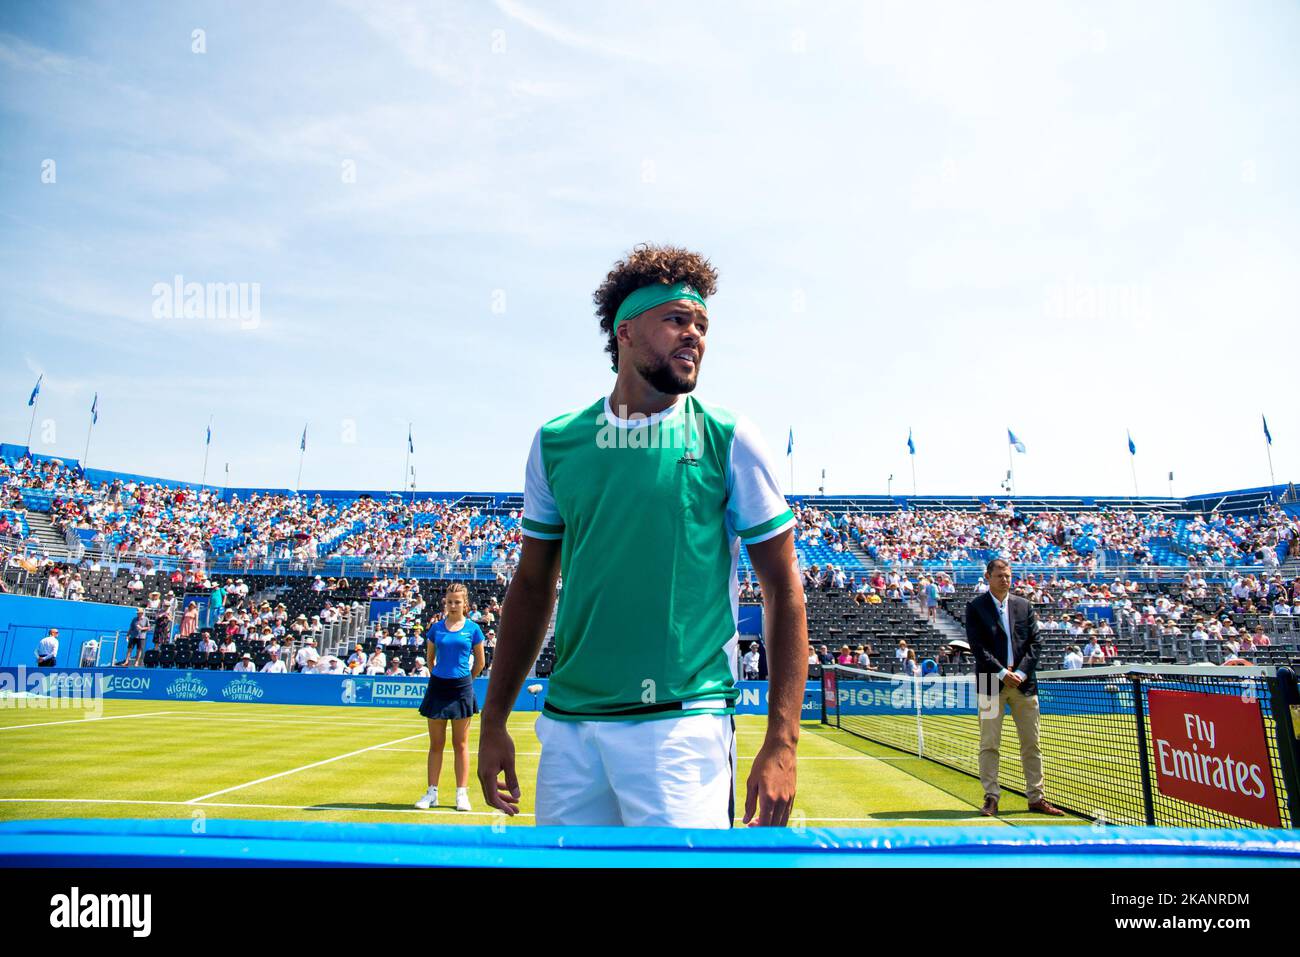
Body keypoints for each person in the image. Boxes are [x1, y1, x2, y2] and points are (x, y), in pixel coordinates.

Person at [478, 244, 806, 828]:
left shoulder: (729, 438)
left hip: (683, 729)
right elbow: (532, 587)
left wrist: (783, 741)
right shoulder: (556, 442)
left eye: (702, 324)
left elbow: (784, 590)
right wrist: (495, 716)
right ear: (624, 331)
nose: (694, 335)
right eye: (677, 319)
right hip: (570, 729)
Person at [965, 558, 1063, 817]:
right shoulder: (975, 607)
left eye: (1008, 575)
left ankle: (1036, 797)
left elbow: (1035, 643)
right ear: (988, 576)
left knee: (1031, 743)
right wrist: (1000, 672)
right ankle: (991, 797)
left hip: (1024, 684)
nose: (1005, 580)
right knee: (989, 744)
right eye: (999, 575)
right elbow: (977, 646)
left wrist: (1019, 673)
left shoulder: (1024, 605)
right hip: (989, 682)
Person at [414, 584, 486, 812]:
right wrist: (441, 676)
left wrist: (465, 680)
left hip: (462, 687)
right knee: (436, 744)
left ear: (465, 604)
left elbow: (481, 663)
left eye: (457, 602)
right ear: (445, 602)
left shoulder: (474, 629)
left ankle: (461, 794)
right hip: (438, 686)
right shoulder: (435, 628)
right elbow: (430, 658)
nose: (453, 606)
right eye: (449, 602)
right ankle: (432, 792)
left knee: (461, 744)